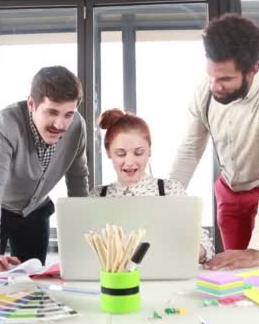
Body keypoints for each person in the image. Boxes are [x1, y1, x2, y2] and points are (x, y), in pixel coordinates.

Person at [170, 14, 259, 270]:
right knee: (231, 274)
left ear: (253, 69)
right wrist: (164, 201)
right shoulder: (204, 93)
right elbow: (189, 151)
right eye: (211, 77)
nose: (215, 87)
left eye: (226, 79)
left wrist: (258, 248)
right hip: (228, 192)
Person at [0, 66, 89, 275]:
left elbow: (78, 179)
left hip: (35, 212)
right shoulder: (4, 124)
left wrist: (86, 236)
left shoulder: (77, 126)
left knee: (32, 283)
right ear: (32, 104)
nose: (60, 124)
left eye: (68, 114)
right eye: (52, 112)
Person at [90, 108, 214, 263]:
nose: (129, 162)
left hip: (165, 278)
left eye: (138, 153)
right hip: (114, 282)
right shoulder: (97, 196)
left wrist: (191, 251)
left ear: (149, 151)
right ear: (108, 152)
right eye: (120, 154)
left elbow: (205, 246)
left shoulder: (171, 190)